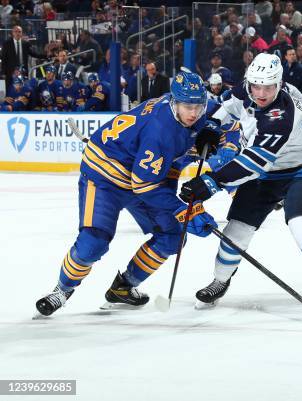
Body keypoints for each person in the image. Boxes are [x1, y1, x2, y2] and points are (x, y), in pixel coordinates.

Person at [34, 69, 239, 317]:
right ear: (174, 102)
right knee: (93, 242)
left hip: (142, 175)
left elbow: (229, 120)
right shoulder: (160, 132)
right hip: (105, 178)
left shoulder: (190, 108)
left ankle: (124, 287)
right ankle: (62, 290)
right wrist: (186, 211)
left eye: (198, 106)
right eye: (187, 106)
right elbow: (145, 186)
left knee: (172, 236)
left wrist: (226, 142)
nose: (194, 113)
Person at [179, 53, 302, 315]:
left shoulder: (282, 113)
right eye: (256, 86)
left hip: (301, 169)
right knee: (236, 230)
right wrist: (212, 127)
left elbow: (253, 162)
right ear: (249, 81)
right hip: (266, 174)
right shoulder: (246, 89)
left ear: (279, 85)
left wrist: (211, 182)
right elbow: (226, 107)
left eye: (269, 87)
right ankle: (220, 280)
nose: (261, 93)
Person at [1, 25, 46, 89]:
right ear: (12, 33)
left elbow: (34, 54)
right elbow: (4, 58)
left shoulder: (26, 43)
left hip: (23, 72)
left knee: (23, 91)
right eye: (16, 31)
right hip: (10, 72)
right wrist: (3, 72)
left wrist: (47, 56)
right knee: (10, 91)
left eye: (19, 31)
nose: (17, 33)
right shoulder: (6, 44)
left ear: (21, 33)